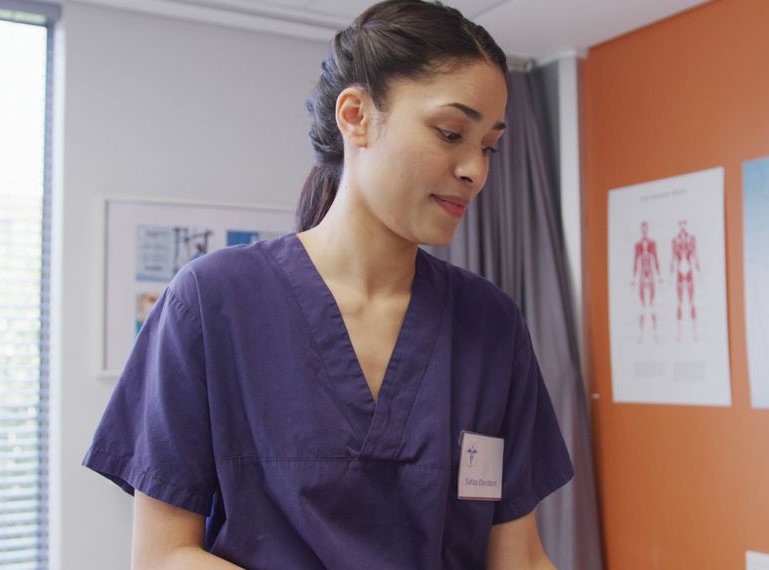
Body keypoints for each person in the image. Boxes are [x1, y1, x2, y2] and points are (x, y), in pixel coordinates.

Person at [81, 1, 574, 568]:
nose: (475, 170)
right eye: (450, 132)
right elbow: (164, 556)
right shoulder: (213, 302)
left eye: (488, 146)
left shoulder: (492, 325)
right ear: (356, 115)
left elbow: (519, 556)